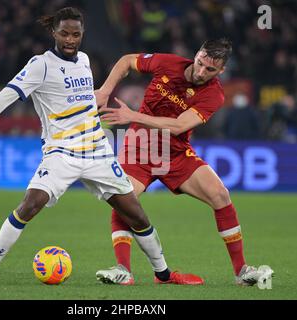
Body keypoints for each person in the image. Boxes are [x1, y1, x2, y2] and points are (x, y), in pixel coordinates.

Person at [0, 7, 203, 285]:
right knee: (30, 204)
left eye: (76, 34)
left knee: (135, 214)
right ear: (54, 32)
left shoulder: (84, 60)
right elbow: (6, 96)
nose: (70, 39)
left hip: (97, 150)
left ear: (82, 34)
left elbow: (81, 99)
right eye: (64, 33)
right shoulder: (41, 64)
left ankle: (164, 275)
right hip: (61, 153)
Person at [95, 38, 274, 286]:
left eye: (210, 70)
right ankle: (123, 269)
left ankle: (241, 271)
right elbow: (127, 61)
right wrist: (104, 91)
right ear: (197, 53)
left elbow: (179, 125)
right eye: (200, 63)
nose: (201, 72)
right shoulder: (168, 63)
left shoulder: (214, 95)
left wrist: (133, 115)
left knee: (220, 195)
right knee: (125, 200)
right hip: (139, 147)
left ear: (221, 71)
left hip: (176, 152)